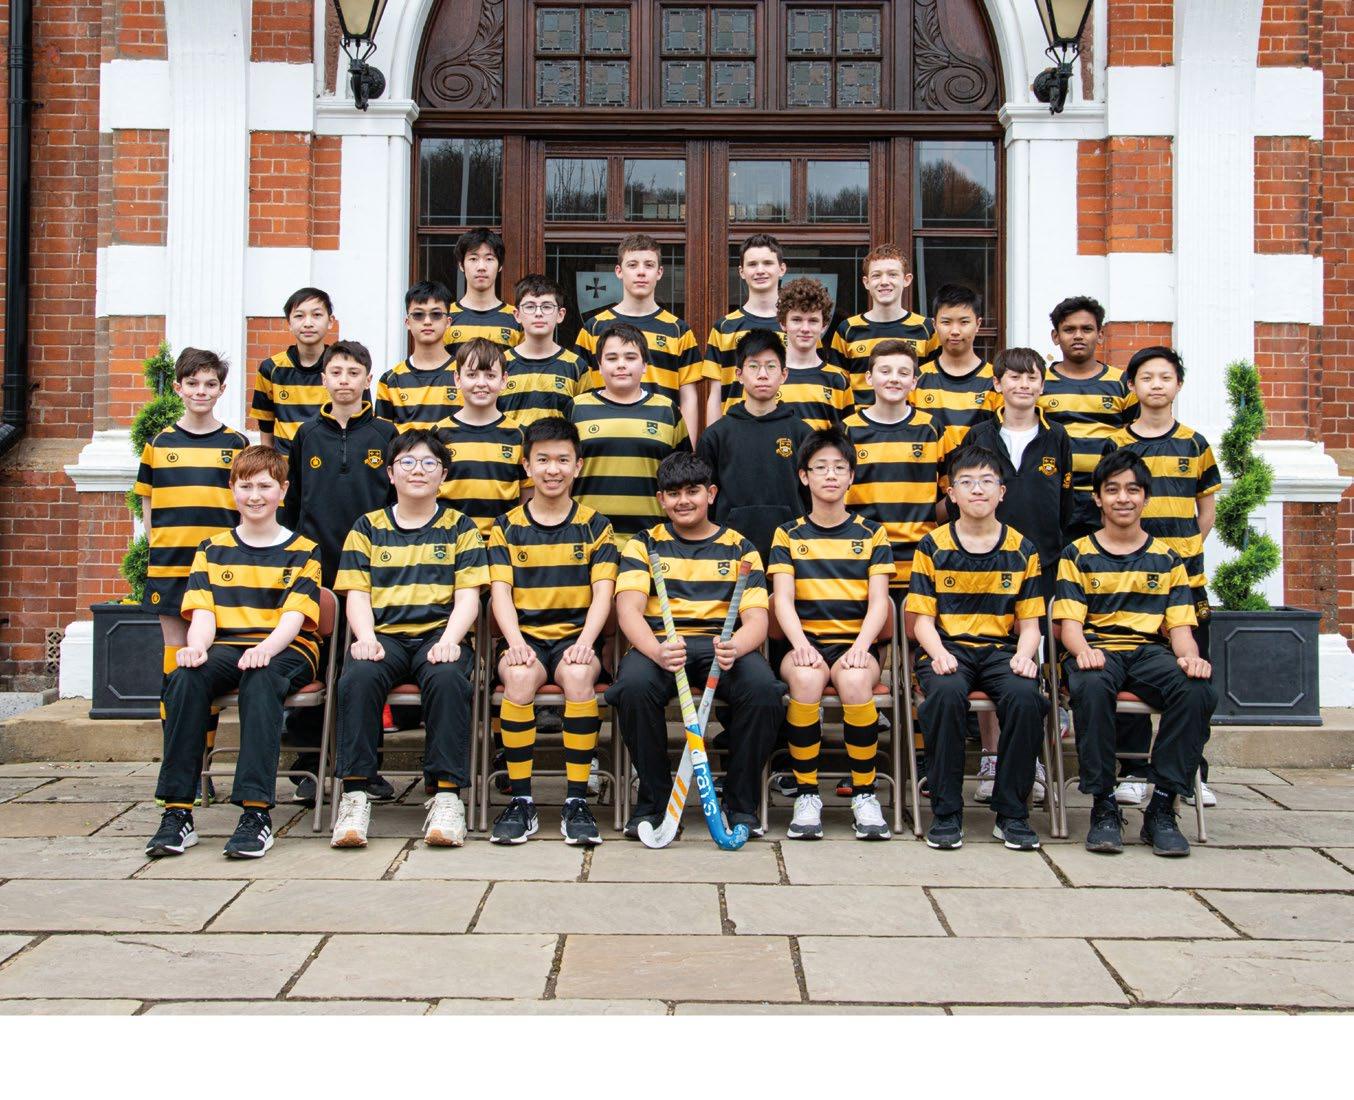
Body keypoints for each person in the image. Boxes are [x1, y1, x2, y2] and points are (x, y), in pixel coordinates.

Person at [145, 446, 323, 860]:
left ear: (283, 491)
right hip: (227, 645)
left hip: (287, 647)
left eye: (264, 486)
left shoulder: (304, 549)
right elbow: (204, 613)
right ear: (232, 489)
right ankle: (177, 811)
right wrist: (195, 648)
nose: (255, 496)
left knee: (261, 680)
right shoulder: (211, 549)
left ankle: (255, 813)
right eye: (246, 486)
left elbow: (293, 619)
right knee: (185, 678)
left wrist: (266, 648)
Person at [607, 451, 783, 839]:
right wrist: (656, 650)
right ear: (661, 499)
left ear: (711, 494)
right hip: (660, 646)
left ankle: (741, 804)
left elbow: (757, 619)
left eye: (692, 491)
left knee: (764, 690)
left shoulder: (741, 548)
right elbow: (629, 611)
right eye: (673, 493)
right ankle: (654, 804)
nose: (683, 500)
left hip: (722, 646)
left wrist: (737, 646)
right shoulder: (643, 545)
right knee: (632, 687)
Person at [1054, 449, 1217, 857]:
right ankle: (1103, 805)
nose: (1122, 498)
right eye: (1112, 490)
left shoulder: (1167, 559)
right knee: (1091, 686)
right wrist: (1083, 651)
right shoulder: (1077, 554)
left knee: (1196, 689)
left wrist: (1189, 657)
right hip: (1096, 648)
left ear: (1145, 497)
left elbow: (1180, 630)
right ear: (1097, 498)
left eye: (1132, 490)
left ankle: (1162, 806)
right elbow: (1069, 627)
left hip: (1149, 652)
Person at [330, 430, 487, 849]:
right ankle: (355, 794)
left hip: (439, 634)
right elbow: (357, 594)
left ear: (443, 475)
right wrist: (365, 637)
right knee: (358, 676)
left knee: (449, 678)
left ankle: (447, 796)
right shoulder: (367, 528)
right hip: (385, 636)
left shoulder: (461, 528)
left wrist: (451, 639)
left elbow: (468, 597)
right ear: (390, 473)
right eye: (408, 462)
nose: (419, 471)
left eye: (429, 463)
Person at [905, 446, 1049, 852]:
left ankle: (1012, 813)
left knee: (1026, 697)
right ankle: (947, 812)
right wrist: (937, 653)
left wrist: (1024, 656)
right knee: (945, 695)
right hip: (947, 647)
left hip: (1002, 650)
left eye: (987, 481)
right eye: (966, 482)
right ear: (952, 494)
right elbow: (922, 621)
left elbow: (1031, 625)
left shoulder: (1023, 549)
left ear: (1002, 491)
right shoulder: (932, 546)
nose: (977, 490)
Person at [488, 418, 618, 846]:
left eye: (563, 460)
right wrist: (514, 643)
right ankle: (521, 800)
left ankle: (576, 800)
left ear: (578, 466)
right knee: (519, 677)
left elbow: (603, 594)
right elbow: (500, 594)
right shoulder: (505, 526)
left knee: (579, 677)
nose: (553, 469)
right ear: (527, 466)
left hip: (575, 639)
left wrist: (585, 643)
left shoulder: (597, 526)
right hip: (525, 637)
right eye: (542, 460)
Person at [280, 340, 398, 804]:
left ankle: (365, 768)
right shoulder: (307, 435)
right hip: (318, 573)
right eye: (336, 372)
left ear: (368, 379)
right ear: (323, 378)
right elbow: (292, 506)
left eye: (354, 372)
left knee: (364, 670)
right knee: (315, 662)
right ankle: (309, 765)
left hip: (372, 575)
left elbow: (396, 505)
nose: (344, 380)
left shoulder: (386, 434)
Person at [955, 347, 1072, 805]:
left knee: (1032, 661)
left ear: (1042, 385)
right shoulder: (981, 435)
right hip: (985, 563)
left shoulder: (1057, 437)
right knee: (991, 650)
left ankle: (1028, 758)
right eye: (1014, 377)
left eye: (1031, 378)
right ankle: (990, 756)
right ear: (997, 384)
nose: (1023, 385)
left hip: (1042, 564)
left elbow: (1065, 505)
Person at [134, 349, 249, 807]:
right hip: (171, 569)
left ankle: (201, 769)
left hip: (219, 571)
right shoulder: (158, 444)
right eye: (193, 383)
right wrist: (158, 550)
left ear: (222, 390)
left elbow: (246, 504)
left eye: (210, 384)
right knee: (176, 667)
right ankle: (176, 764)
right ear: (179, 388)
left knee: (204, 665)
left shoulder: (236, 444)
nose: (201, 391)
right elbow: (148, 505)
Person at [1109, 345, 1222, 806]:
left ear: (1179, 384)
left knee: (1193, 670)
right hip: (1128, 582)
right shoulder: (1117, 443)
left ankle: (1192, 771)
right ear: (1131, 386)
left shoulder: (1195, 444)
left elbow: (1206, 510)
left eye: (1165, 377)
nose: (1156, 385)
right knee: (1128, 669)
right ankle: (1134, 769)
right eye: (1146, 377)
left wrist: (1183, 553)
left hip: (1186, 580)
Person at [768, 428, 894, 841]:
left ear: (851, 476)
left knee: (856, 682)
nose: (830, 475)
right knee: (805, 680)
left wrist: (861, 647)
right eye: (820, 467)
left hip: (853, 645)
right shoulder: (788, 534)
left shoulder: (872, 533)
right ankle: (807, 795)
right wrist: (801, 646)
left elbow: (880, 603)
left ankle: (864, 793)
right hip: (805, 643)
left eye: (839, 467)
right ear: (804, 476)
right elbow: (782, 600)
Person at [574, 233, 712, 437]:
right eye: (632, 265)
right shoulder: (593, 328)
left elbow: (689, 398)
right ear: (619, 271)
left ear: (659, 272)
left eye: (649, 265)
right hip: (602, 436)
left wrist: (686, 450)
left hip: (661, 437)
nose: (641, 272)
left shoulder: (678, 330)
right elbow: (580, 392)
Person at [696, 329, 811, 563]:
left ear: (784, 374)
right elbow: (706, 500)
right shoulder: (716, 436)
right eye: (754, 366)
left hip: (791, 552)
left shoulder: (803, 434)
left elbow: (811, 499)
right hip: (729, 554)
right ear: (739, 374)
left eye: (771, 366)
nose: (762, 375)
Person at [844, 340, 946, 604]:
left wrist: (924, 525)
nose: (894, 379)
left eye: (903, 373)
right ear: (869, 378)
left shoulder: (932, 429)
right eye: (885, 371)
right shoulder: (847, 430)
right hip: (863, 561)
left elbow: (951, 494)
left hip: (919, 562)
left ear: (914, 382)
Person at [572, 321, 689, 549]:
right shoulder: (577, 409)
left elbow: (682, 478)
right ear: (599, 365)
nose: (621, 365)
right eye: (612, 358)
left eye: (630, 357)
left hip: (652, 542)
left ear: (644, 365)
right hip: (587, 539)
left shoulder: (667, 410)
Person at [1039, 295, 1134, 540]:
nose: (1078, 336)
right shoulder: (1040, 383)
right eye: (1069, 329)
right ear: (1055, 336)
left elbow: (1135, 439)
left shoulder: (1122, 383)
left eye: (1087, 329)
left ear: (1100, 335)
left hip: (1107, 497)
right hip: (1055, 496)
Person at [435, 338, 525, 541]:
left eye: (490, 375)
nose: (481, 383)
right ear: (457, 379)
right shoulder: (439, 434)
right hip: (451, 543)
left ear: (504, 380)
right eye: (472, 374)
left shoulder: (519, 435)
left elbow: (526, 496)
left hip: (501, 545)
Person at [830, 245, 939, 408]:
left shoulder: (926, 329)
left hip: (912, 421)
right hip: (858, 422)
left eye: (892, 274)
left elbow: (932, 385)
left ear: (907, 280)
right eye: (876, 275)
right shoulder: (847, 329)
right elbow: (838, 387)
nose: (884, 282)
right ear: (866, 282)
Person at [705, 233, 787, 416]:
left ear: (782, 269)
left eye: (767, 263)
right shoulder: (724, 327)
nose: (760, 270)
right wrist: (714, 434)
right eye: (752, 264)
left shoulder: (799, 327)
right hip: (734, 429)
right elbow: (715, 395)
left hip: (787, 428)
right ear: (742, 272)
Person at [911, 284, 997, 459]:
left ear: (978, 324)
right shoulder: (916, 380)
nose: (955, 331)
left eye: (964, 322)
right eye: (946, 322)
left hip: (980, 474)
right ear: (934, 325)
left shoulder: (996, 381)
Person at [252, 287, 336, 455]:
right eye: (299, 316)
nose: (308, 323)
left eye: (317, 315)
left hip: (330, 461)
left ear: (330, 321)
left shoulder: (342, 368)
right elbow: (265, 424)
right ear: (289, 323)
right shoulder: (271, 368)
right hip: (285, 463)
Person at [501, 274, 586, 428]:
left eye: (547, 307)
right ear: (517, 315)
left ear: (560, 315)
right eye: (530, 307)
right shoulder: (500, 363)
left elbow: (584, 419)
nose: (538, 313)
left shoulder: (576, 366)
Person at [376, 281, 458, 433]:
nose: (427, 321)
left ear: (448, 322)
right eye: (418, 315)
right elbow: (383, 438)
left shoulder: (465, 375)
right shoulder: (390, 381)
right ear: (407, 322)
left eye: (436, 314)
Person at [774, 277, 854, 430]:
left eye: (813, 321)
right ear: (783, 323)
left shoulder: (837, 380)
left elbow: (846, 437)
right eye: (797, 320)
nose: (805, 328)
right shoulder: (768, 376)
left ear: (824, 325)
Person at [445, 227, 522, 357]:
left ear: (500, 265)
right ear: (461, 265)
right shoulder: (445, 317)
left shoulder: (517, 318)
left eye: (489, 259)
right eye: (473, 259)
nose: (481, 267)